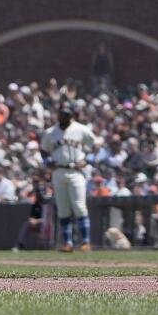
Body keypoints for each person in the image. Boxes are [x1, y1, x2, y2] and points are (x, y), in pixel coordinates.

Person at [39, 104, 100, 252]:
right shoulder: (51, 132)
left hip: (76, 171)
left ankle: (85, 242)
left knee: (79, 206)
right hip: (58, 171)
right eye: (61, 115)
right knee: (63, 209)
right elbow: (44, 150)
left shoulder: (81, 129)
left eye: (66, 115)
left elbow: (95, 146)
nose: (62, 117)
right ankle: (68, 243)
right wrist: (47, 162)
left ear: (71, 116)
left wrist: (87, 160)